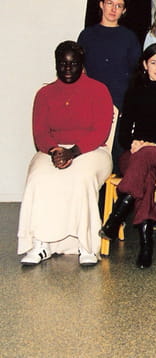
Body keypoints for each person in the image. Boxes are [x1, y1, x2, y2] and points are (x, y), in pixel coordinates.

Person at [18, 41, 113, 267]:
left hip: (91, 149)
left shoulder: (99, 90)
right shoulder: (44, 93)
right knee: (38, 177)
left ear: (82, 64)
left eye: (73, 63)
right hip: (53, 149)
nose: (68, 68)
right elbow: (40, 132)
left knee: (80, 178)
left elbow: (100, 131)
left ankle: (86, 245)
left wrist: (72, 152)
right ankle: (41, 244)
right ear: (56, 64)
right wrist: (54, 151)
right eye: (63, 64)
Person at [99, 44, 156, 268]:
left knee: (146, 157)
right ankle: (145, 245)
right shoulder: (134, 91)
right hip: (135, 156)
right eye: (154, 62)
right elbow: (122, 134)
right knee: (145, 176)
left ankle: (119, 212)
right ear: (144, 65)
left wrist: (153, 144)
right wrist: (134, 143)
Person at [77, 0, 141, 109]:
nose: (113, 9)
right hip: (91, 99)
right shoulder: (87, 35)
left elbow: (135, 72)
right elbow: (80, 69)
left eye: (119, 6)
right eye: (110, 3)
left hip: (120, 100)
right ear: (101, 4)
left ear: (124, 10)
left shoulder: (130, 37)